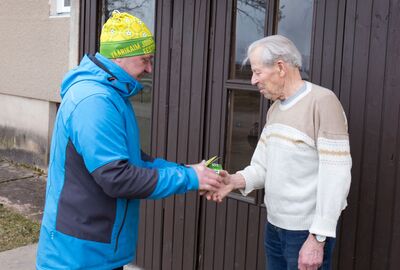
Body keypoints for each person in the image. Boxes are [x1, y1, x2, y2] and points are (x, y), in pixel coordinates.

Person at [36, 11, 222, 270]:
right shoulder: (94, 101)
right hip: (79, 256)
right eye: (144, 59)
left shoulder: (110, 94)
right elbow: (117, 177)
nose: (149, 68)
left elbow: (133, 159)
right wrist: (191, 179)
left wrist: (187, 171)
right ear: (120, 56)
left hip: (95, 248)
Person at [212, 35, 352, 270]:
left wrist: (318, 238)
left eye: (257, 72)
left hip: (305, 233)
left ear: (280, 67)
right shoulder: (275, 109)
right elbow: (262, 167)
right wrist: (233, 181)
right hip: (274, 227)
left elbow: (336, 175)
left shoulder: (323, 102)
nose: (254, 80)